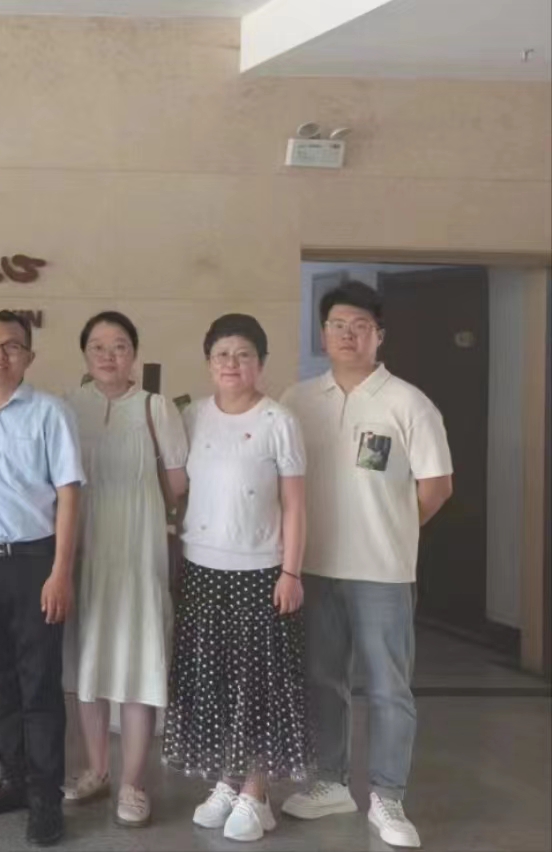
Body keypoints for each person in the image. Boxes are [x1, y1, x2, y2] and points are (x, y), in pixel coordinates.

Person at [280, 282, 452, 849]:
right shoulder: (298, 399)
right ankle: (330, 783)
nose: (348, 335)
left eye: (360, 326)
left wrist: (395, 530)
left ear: (379, 335)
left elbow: (436, 486)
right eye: (337, 325)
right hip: (314, 568)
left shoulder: (408, 402)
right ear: (323, 334)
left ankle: (387, 796)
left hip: (382, 572)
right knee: (322, 680)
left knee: (388, 687)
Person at [167, 313, 310, 843]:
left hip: (261, 570)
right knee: (215, 679)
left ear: (261, 363)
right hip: (201, 567)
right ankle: (228, 781)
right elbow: (177, 486)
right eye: (222, 354)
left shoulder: (279, 420)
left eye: (243, 354)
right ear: (209, 363)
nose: (232, 363)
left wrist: (291, 571)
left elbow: (295, 506)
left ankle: (255, 790)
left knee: (258, 682)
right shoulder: (192, 416)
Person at [0, 310, 84, 847]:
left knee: (39, 684)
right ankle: (14, 781)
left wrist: (61, 572)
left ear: (29, 355)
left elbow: (69, 495)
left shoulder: (52, 413)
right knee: (0, 680)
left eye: (11, 345)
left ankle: (46, 798)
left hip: (35, 563)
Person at [60, 311, 189, 827]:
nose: (108, 355)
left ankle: (133, 782)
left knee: (139, 659)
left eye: (119, 345)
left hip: (137, 547)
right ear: (84, 354)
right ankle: (97, 770)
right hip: (84, 547)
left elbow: (177, 484)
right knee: (87, 661)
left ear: (134, 352)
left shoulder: (156, 408)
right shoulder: (68, 406)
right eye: (97, 346)